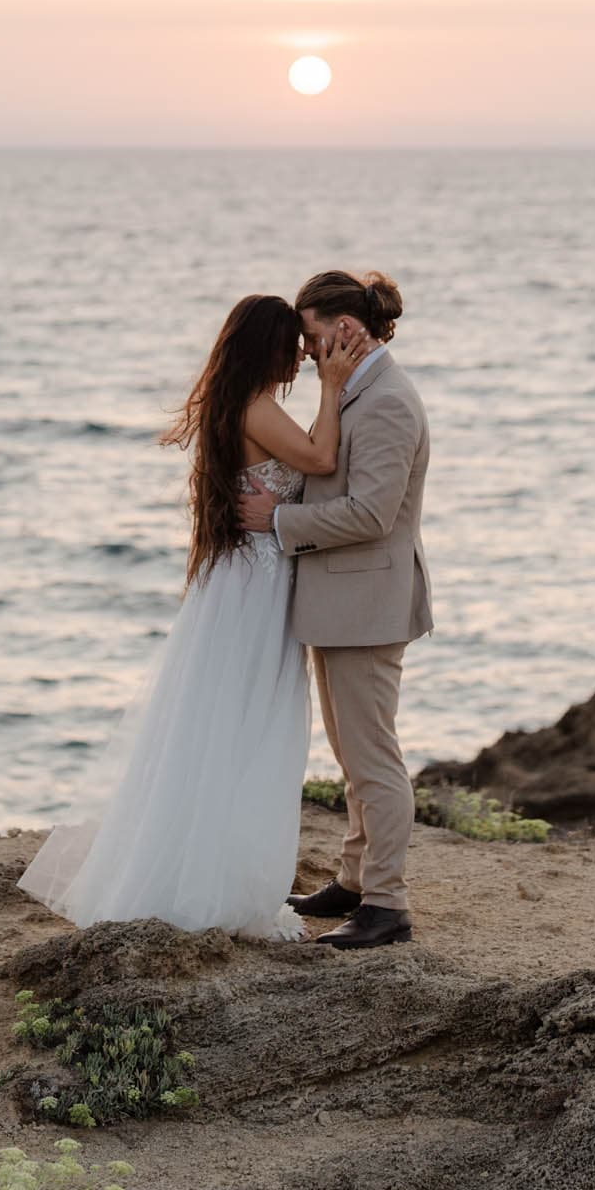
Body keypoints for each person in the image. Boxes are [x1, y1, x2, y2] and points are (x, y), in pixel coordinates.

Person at [15, 293, 362, 939]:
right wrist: (334, 386)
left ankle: (204, 869)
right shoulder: (258, 407)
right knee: (244, 728)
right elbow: (320, 460)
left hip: (242, 581)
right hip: (254, 588)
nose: (301, 356)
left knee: (220, 727)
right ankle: (215, 886)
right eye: (293, 346)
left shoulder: (239, 403)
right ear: (268, 348)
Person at [237, 269, 432, 950]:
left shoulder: (386, 402)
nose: (308, 354)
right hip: (342, 600)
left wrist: (279, 520)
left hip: (367, 604)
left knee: (373, 756)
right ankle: (353, 882)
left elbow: (374, 513)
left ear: (345, 331)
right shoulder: (357, 390)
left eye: (314, 339)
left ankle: (387, 904)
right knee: (354, 753)